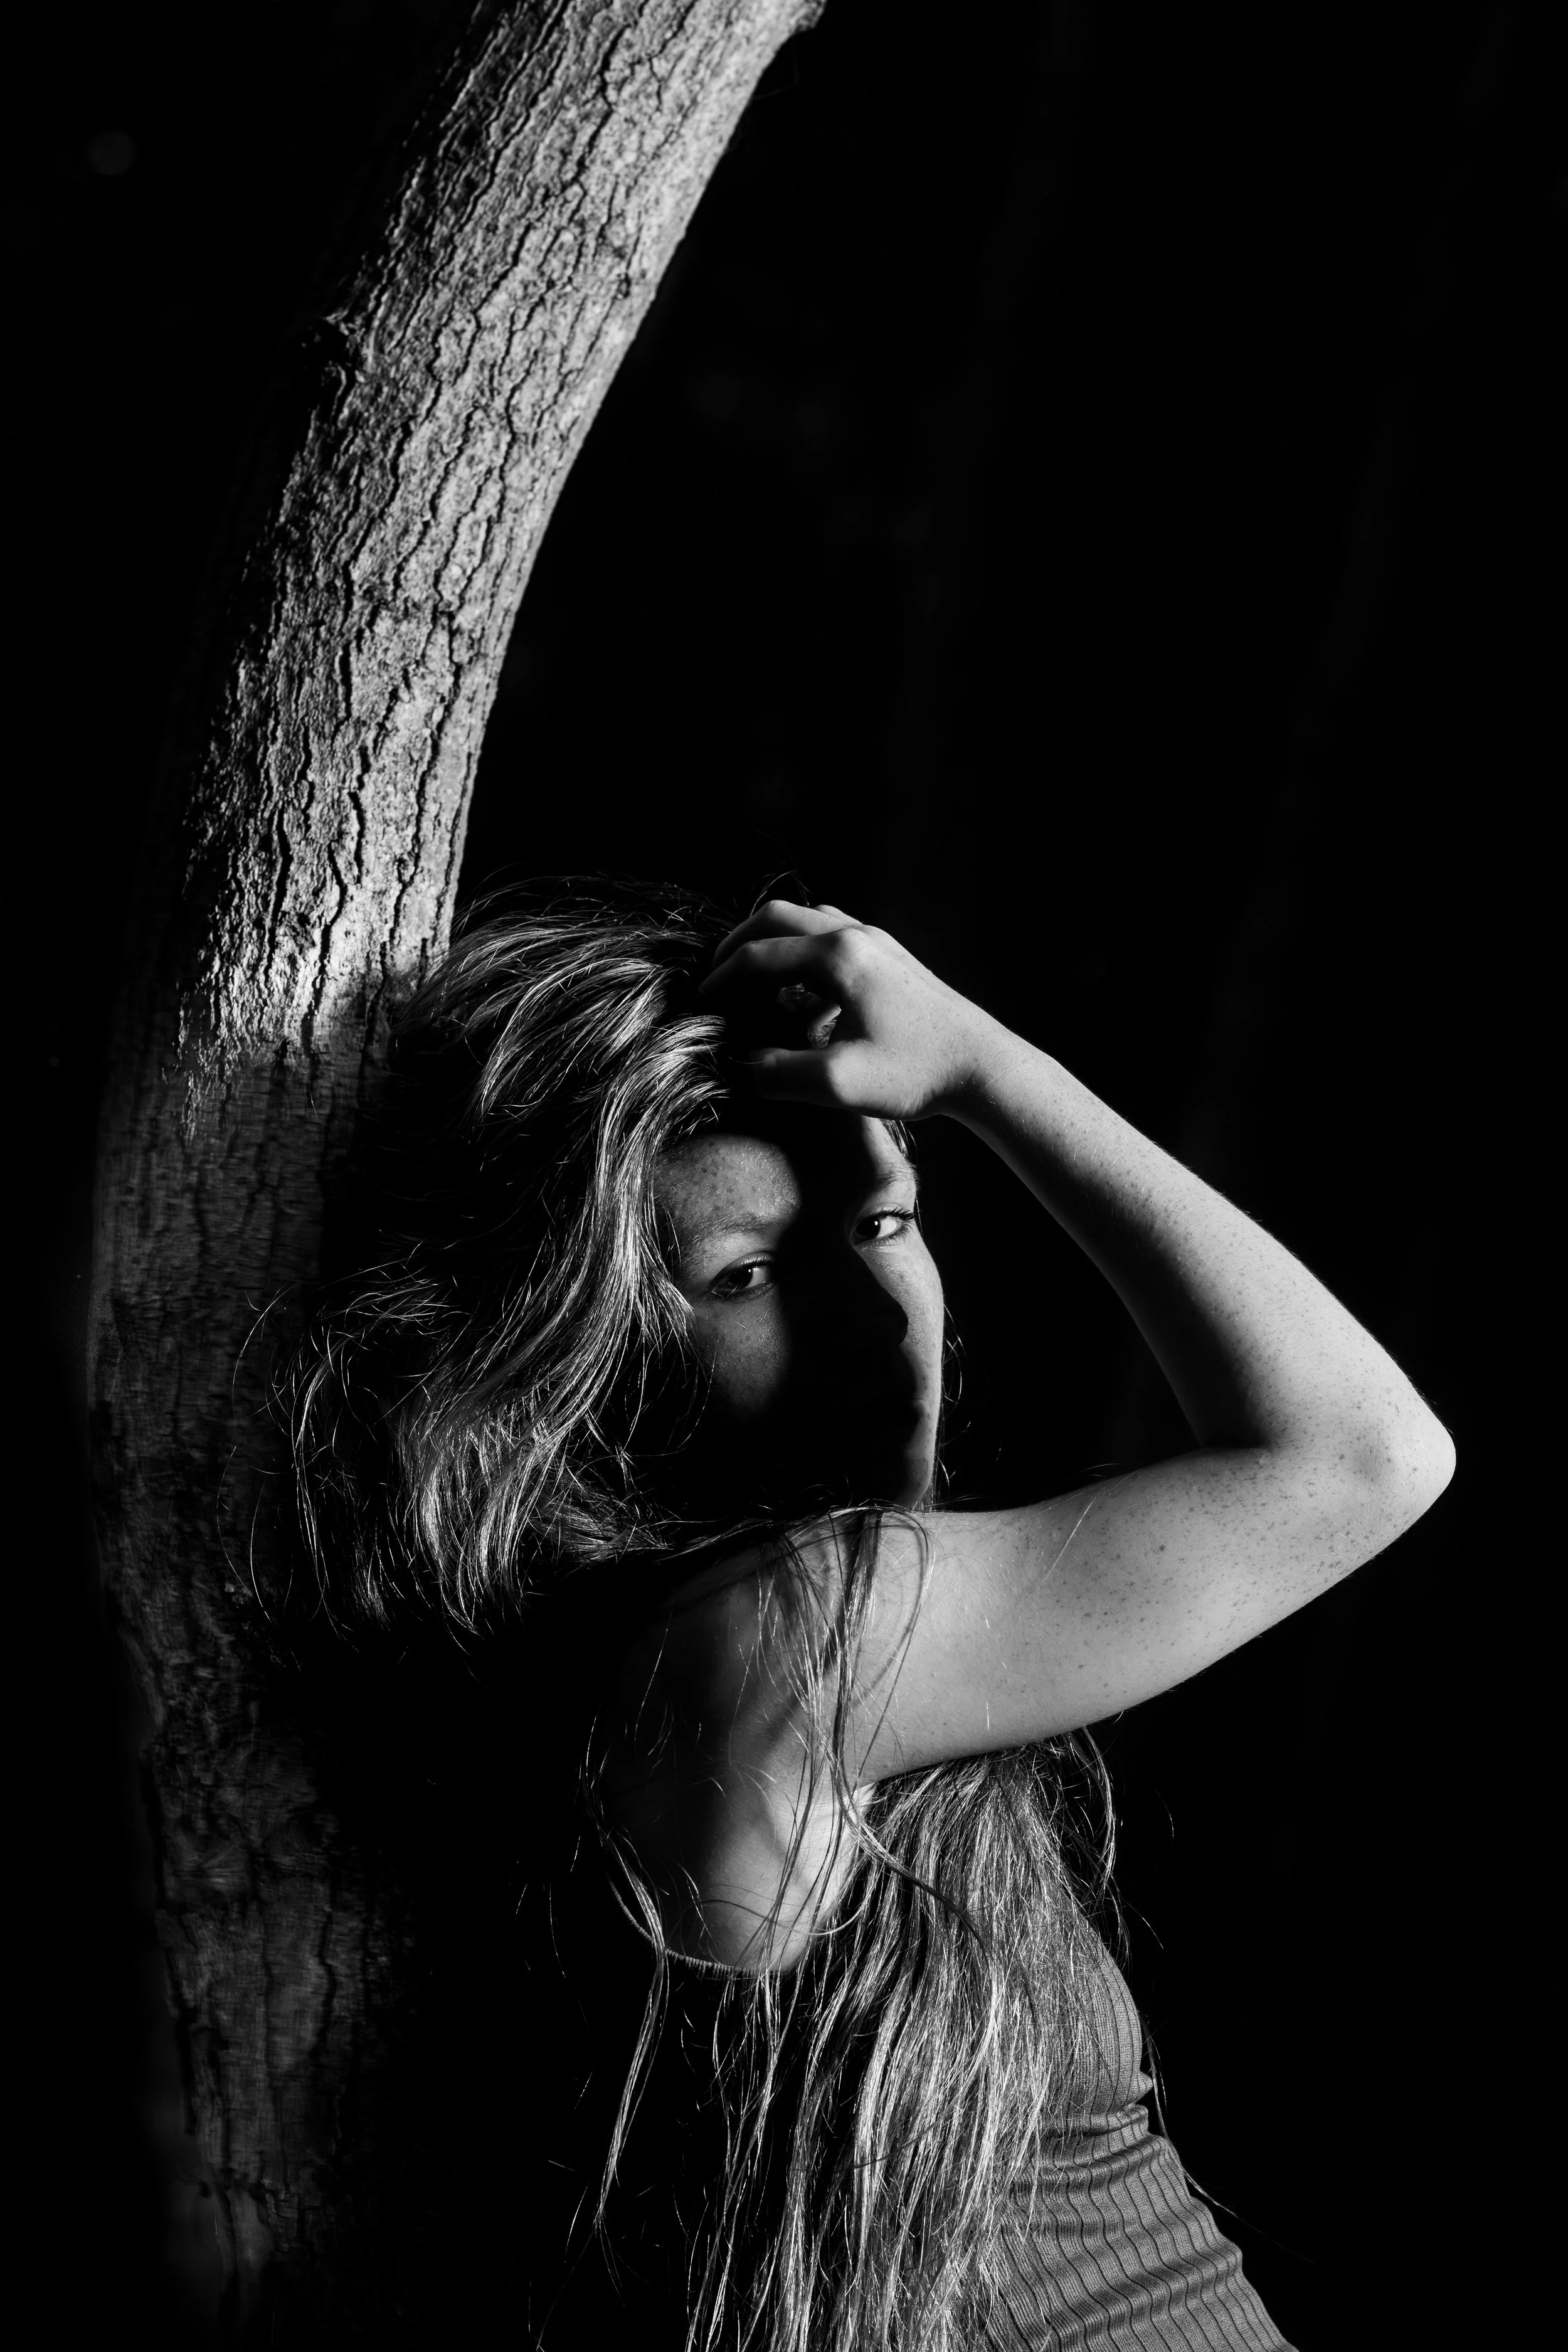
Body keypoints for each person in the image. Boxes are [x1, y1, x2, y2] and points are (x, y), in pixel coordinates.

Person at [285, 874, 1454, 2352]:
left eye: (884, 1217)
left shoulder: (707, 1650)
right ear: (569, 1344)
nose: (874, 1315)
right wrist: (977, 1068)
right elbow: (1362, 1456)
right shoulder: (768, 1641)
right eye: (749, 1273)